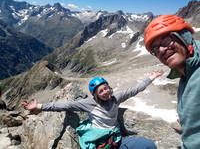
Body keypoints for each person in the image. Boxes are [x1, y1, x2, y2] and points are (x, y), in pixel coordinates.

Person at [22, 70, 163, 149]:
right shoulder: (88, 103)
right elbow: (65, 105)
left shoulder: (116, 97)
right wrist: (39, 106)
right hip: (99, 143)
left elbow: (134, 90)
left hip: (117, 140)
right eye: (101, 91)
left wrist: (151, 77)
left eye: (106, 88)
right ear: (95, 95)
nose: (105, 92)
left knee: (148, 146)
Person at [144, 15, 200, 149]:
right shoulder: (186, 74)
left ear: (185, 37)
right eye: (155, 49)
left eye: (166, 40)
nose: (161, 50)